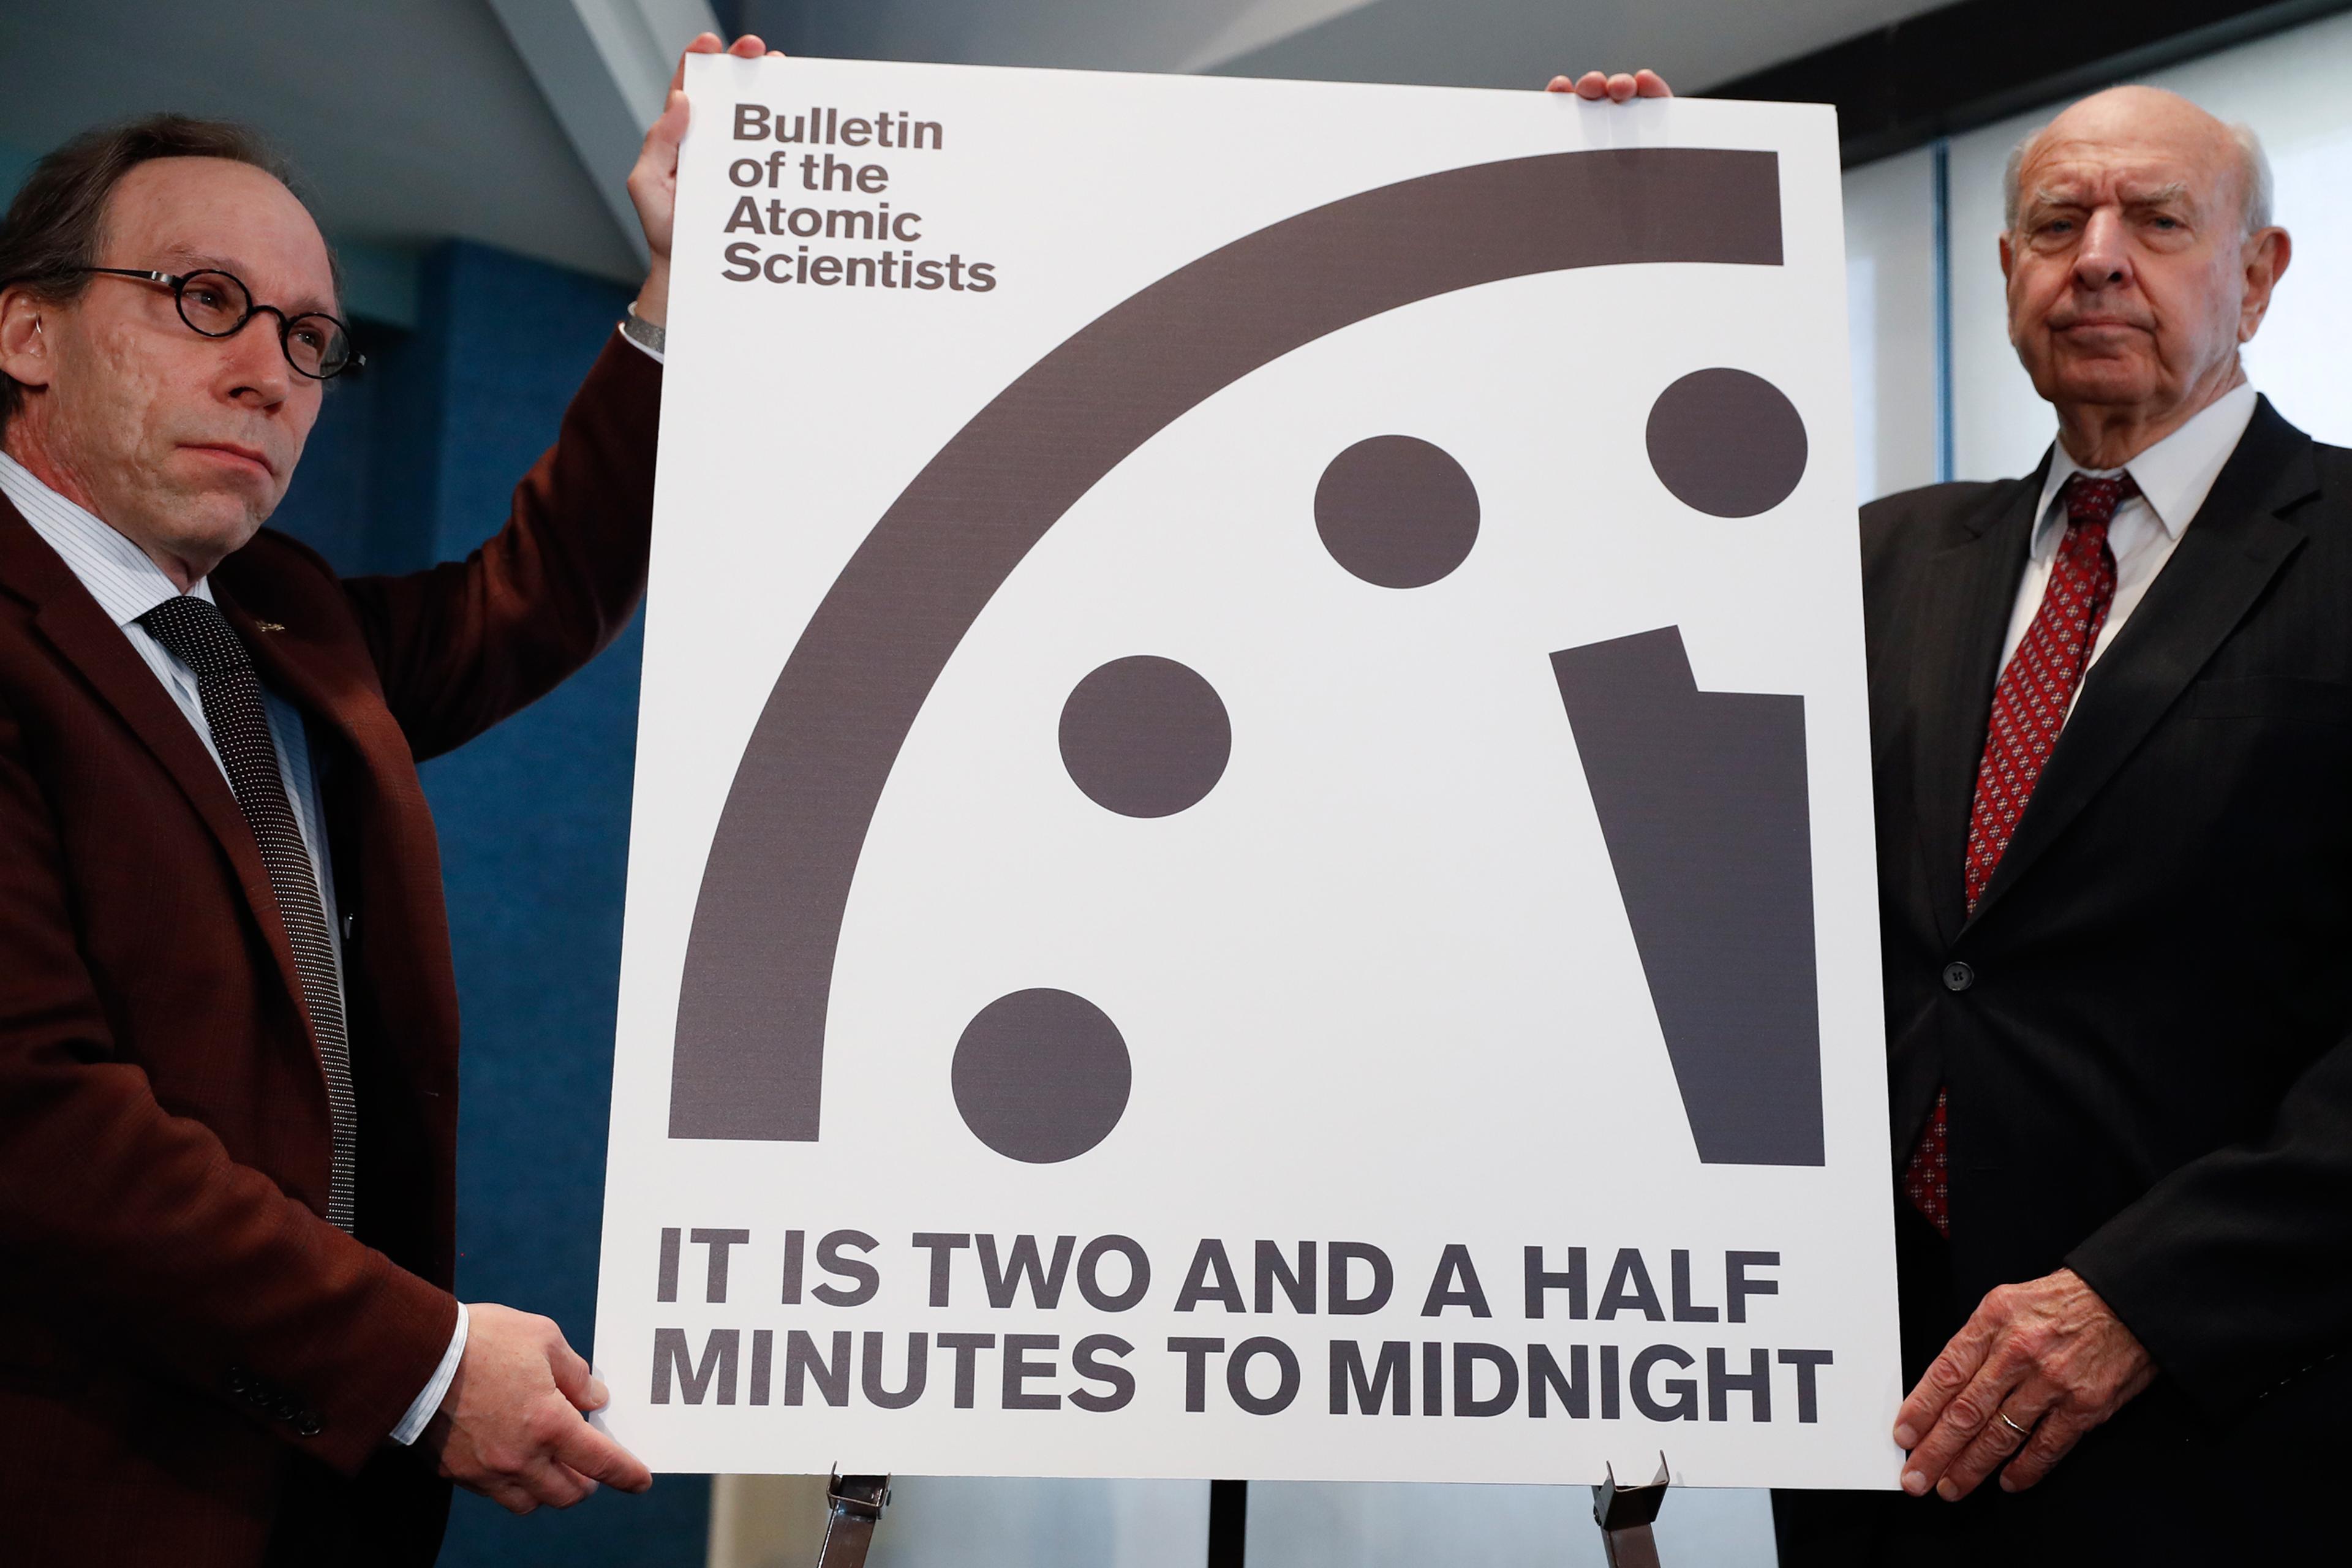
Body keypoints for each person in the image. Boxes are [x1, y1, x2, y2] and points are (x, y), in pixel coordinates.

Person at [0, 29, 774, 1568]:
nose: (265, 374)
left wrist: (680, 285)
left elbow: (535, 594)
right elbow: (37, 1118)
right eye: (203, 301)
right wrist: (423, 1364)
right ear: (26, 330)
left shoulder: (277, 620)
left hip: (314, 1488)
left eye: (307, 340)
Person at [1554, 68, 2349, 1561]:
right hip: (1876, 1430)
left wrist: (2144, 1298)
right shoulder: (1874, 560)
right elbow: (1617, 670)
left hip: (2223, 1436)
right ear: (2007, 274)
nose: (2099, 253)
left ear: (2259, 271)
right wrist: (1619, 232)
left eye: (2158, 219)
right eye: (2059, 219)